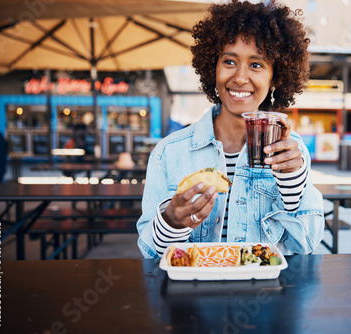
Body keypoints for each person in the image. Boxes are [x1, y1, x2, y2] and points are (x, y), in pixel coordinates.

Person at [136, 0, 325, 259]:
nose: (239, 77)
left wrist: (292, 181)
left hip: (265, 294)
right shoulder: (168, 153)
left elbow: (305, 244)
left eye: (256, 65)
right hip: (193, 295)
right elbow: (148, 252)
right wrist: (171, 222)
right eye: (229, 61)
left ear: (275, 78)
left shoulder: (291, 151)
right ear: (212, 68)